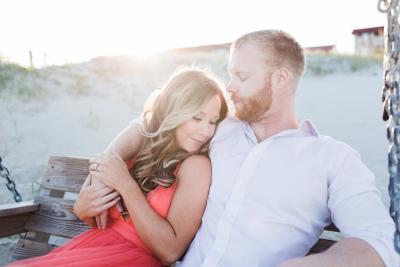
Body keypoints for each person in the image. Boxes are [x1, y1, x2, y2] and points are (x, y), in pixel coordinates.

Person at [80, 30, 400, 267]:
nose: (229, 86)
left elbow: (379, 242)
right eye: (230, 74)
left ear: (280, 79)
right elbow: (146, 124)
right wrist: (98, 178)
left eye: (242, 76)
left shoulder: (332, 159)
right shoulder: (219, 129)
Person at [7, 68, 228, 267]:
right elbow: (97, 215)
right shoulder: (143, 143)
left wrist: (125, 184)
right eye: (197, 118)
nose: (206, 131)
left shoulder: (196, 166)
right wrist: (83, 210)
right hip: (91, 248)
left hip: (133, 259)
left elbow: (169, 252)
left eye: (212, 121)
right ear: (173, 111)